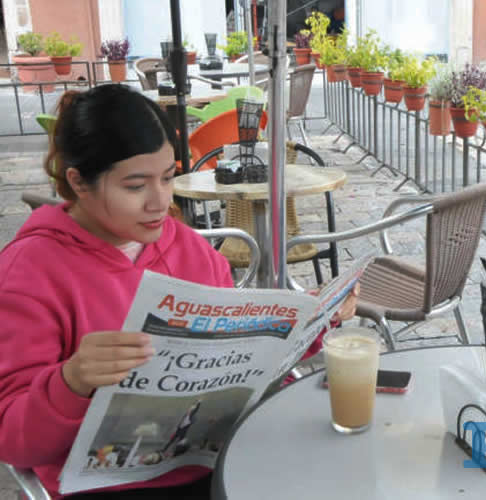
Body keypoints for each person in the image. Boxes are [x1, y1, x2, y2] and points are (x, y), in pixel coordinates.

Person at [0, 84, 357, 499]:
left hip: (213, 464)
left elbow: (242, 356)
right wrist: (72, 380)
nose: (159, 202)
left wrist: (309, 321)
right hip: (104, 486)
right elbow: (12, 440)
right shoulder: (29, 271)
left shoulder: (188, 247)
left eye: (168, 178)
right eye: (135, 186)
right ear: (79, 182)